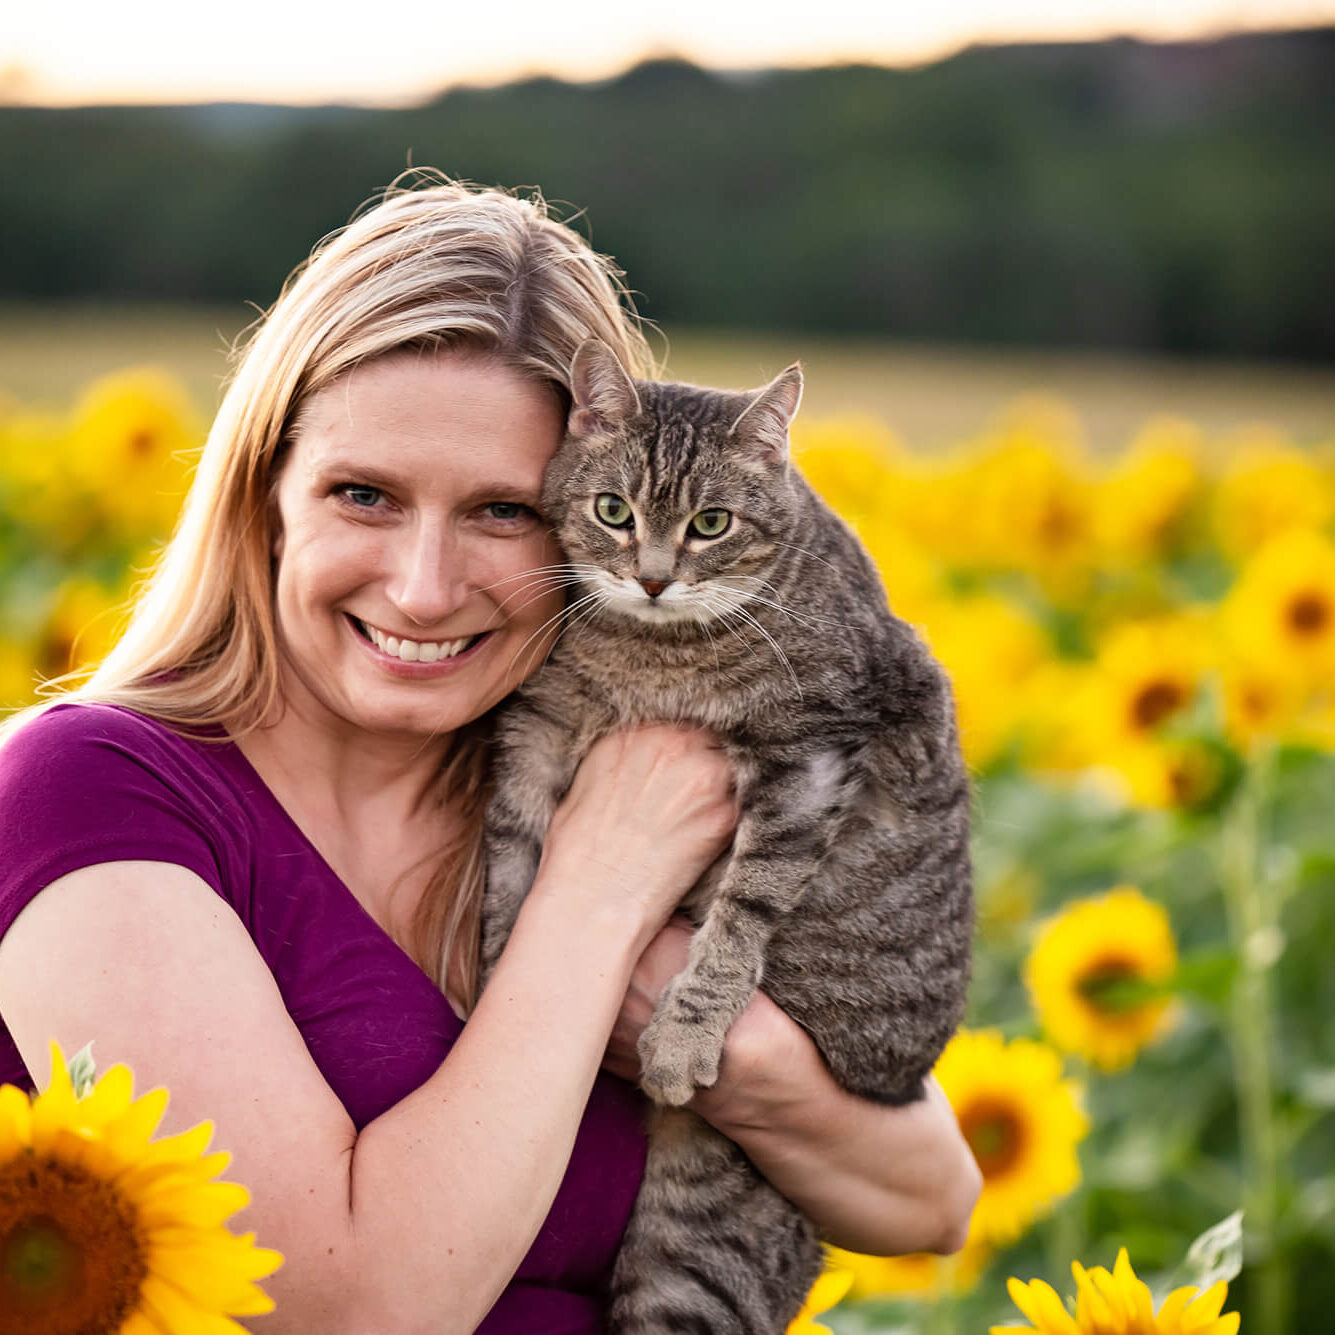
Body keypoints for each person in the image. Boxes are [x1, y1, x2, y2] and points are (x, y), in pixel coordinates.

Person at [0, 177, 980, 1334]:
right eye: (363, 495)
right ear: (263, 496)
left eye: (503, 514)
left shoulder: (569, 767)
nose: (423, 587)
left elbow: (932, 1198)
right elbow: (354, 1312)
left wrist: (744, 1061)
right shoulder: (90, 795)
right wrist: (600, 887)